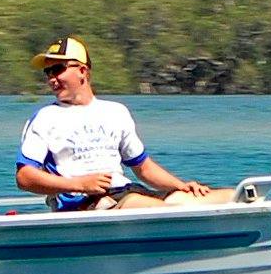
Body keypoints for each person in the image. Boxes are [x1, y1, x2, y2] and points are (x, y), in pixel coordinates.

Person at [16, 37, 222, 210]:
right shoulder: (45, 118)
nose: (52, 79)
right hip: (86, 203)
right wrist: (79, 184)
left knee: (224, 197)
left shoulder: (115, 112)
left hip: (126, 192)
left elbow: (144, 168)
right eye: (48, 72)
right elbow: (25, 176)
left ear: (82, 71)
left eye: (58, 69)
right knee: (144, 205)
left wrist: (182, 186)